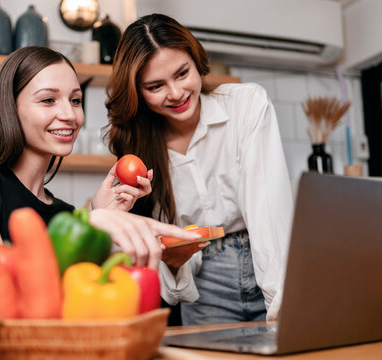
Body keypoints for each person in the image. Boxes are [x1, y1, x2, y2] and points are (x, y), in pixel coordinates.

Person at [0, 46, 200, 270]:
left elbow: (73, 299)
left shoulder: (64, 213)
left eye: (75, 100)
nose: (70, 115)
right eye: (48, 100)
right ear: (9, 108)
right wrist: (88, 223)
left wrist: (101, 218)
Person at [104, 14, 293, 324]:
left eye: (182, 73)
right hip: (203, 283)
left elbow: (268, 211)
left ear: (196, 59)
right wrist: (175, 263)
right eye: (155, 86)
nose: (176, 93)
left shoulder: (246, 106)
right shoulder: (138, 151)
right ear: (137, 91)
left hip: (269, 264)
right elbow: (166, 271)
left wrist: (282, 301)